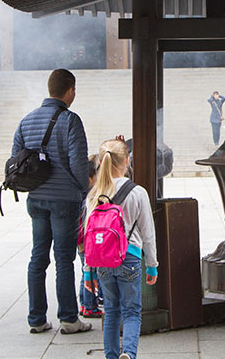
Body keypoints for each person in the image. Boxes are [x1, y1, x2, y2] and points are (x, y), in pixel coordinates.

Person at [12, 69, 91, 334]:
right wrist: (83, 189)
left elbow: (16, 160)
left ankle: (36, 319)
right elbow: (78, 163)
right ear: (70, 90)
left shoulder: (26, 121)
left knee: (38, 257)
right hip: (64, 200)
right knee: (64, 259)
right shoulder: (70, 120)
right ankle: (69, 319)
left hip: (36, 199)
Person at [83, 138, 158, 359]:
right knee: (132, 311)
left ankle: (112, 356)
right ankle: (129, 353)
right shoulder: (138, 192)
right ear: (127, 160)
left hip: (103, 262)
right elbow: (148, 233)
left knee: (111, 311)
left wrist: (88, 270)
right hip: (130, 258)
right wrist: (152, 265)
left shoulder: (95, 194)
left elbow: (90, 235)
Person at [78, 154, 103, 318]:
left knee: (88, 271)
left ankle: (88, 303)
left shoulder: (84, 194)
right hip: (86, 241)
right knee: (88, 272)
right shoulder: (90, 196)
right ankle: (88, 304)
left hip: (83, 240)